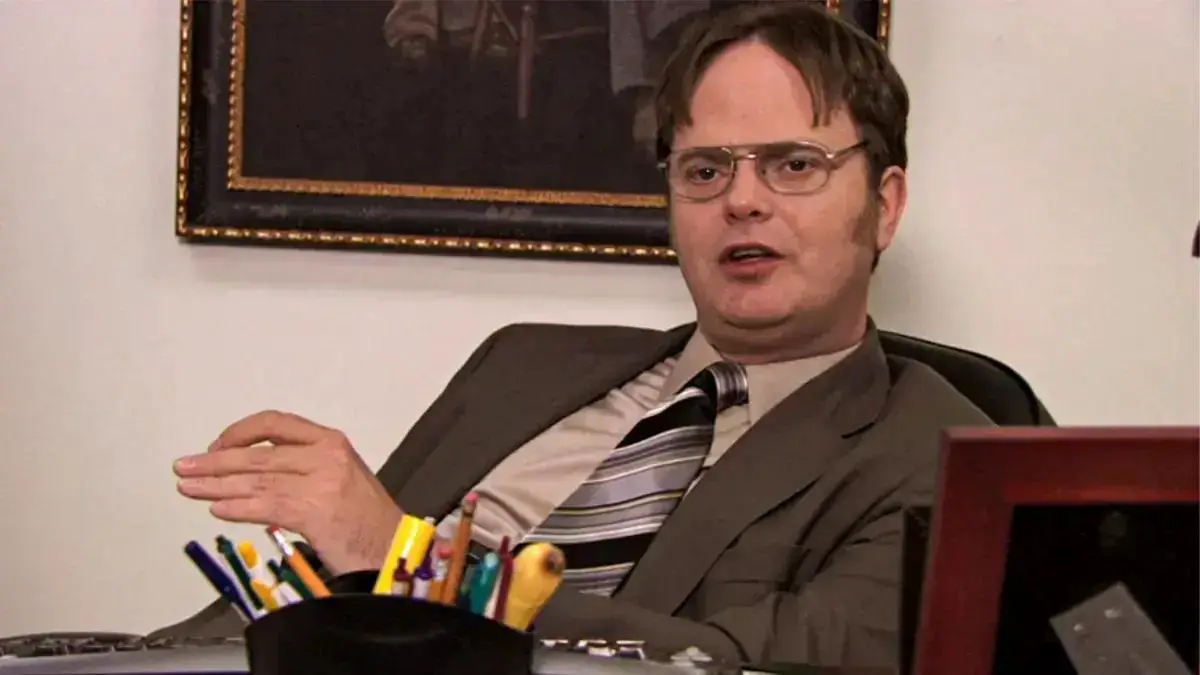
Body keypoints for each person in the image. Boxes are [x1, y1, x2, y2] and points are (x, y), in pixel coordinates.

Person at [153, 2, 995, 667]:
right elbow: (312, 590)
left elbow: (756, 665)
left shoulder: (944, 460)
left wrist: (412, 568)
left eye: (794, 164)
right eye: (705, 170)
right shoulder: (522, 363)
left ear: (884, 204)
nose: (742, 201)